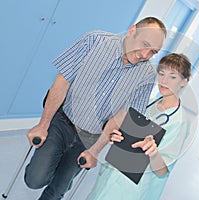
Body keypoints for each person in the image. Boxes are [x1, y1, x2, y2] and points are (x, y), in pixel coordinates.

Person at [24, 16, 167, 200]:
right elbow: (61, 83)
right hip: (62, 122)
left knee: (58, 191)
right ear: (132, 31)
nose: (145, 55)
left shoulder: (146, 74)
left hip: (90, 137)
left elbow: (121, 115)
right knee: (35, 180)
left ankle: (60, 175)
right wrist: (43, 125)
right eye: (144, 44)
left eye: (152, 52)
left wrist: (95, 151)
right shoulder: (94, 41)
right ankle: (50, 164)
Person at [87, 53, 192, 200]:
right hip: (111, 175)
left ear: (184, 81)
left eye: (172, 77)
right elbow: (125, 136)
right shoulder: (148, 102)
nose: (164, 81)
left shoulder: (179, 121)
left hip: (133, 190)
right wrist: (116, 136)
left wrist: (153, 152)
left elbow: (162, 171)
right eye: (161, 74)